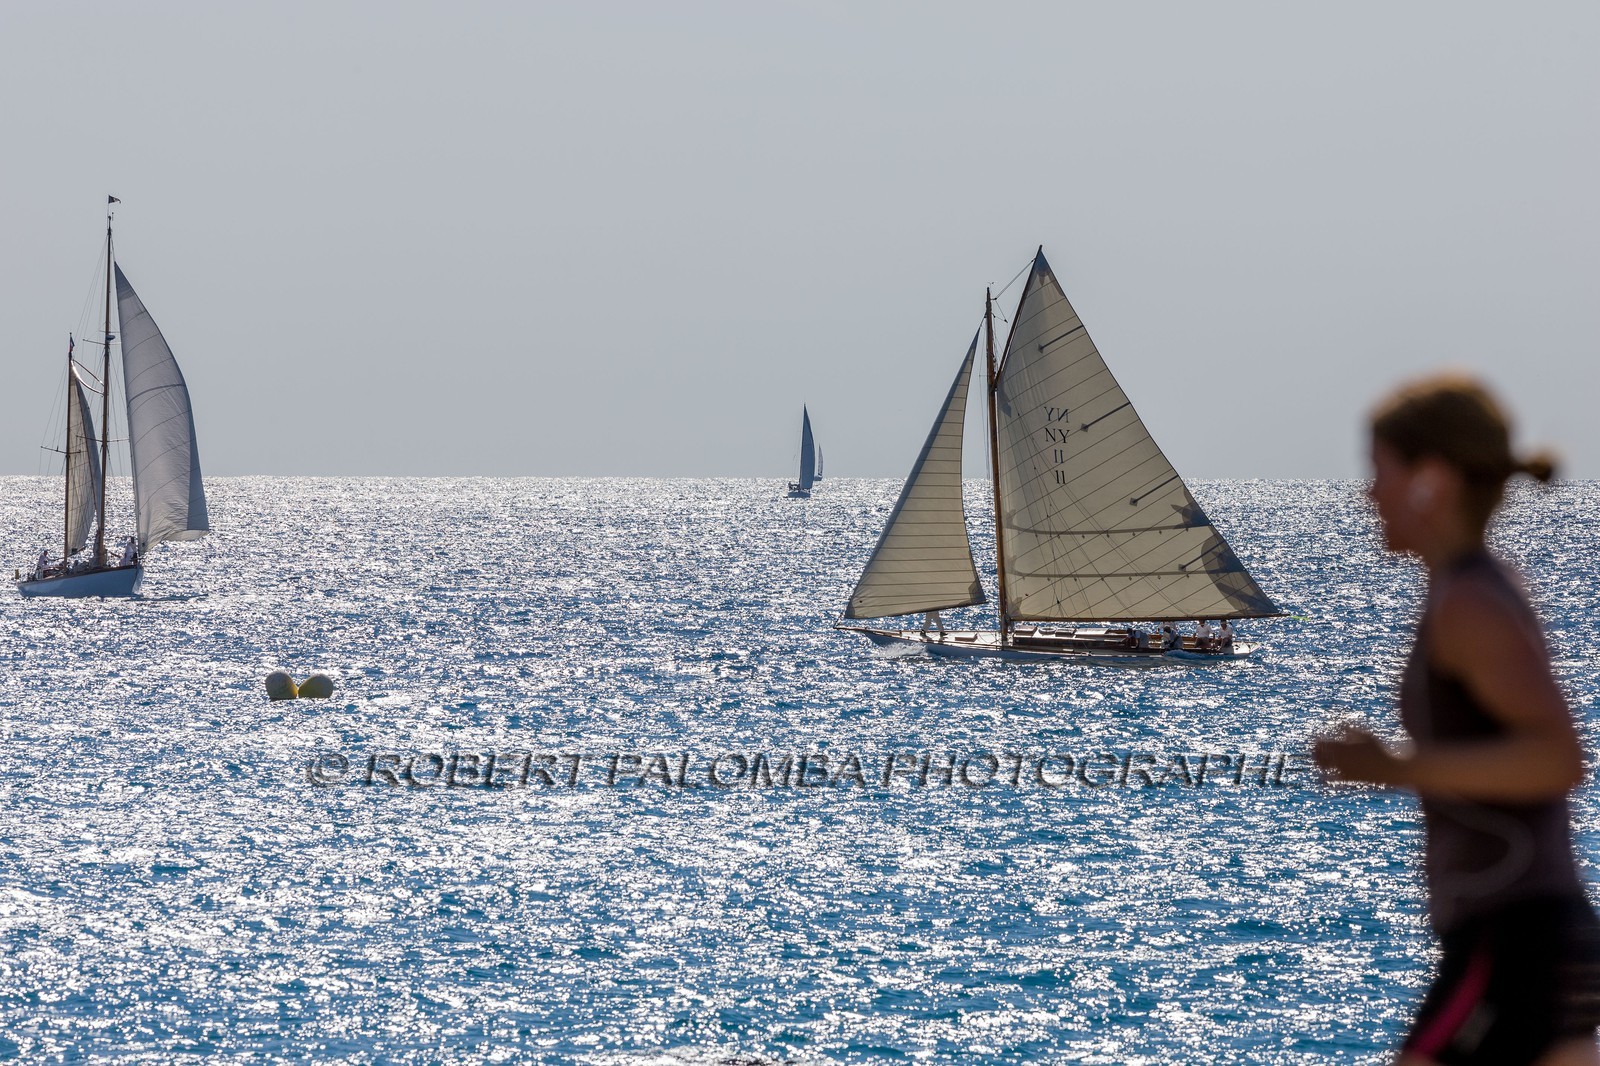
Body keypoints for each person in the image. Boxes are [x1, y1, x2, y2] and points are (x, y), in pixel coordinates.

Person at [1313, 374, 1599, 1066]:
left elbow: (1555, 758)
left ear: (1429, 482)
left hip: (1512, 943)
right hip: (1537, 941)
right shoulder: (1469, 590)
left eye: (1379, 472)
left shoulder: (1468, 606)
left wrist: (1395, 768)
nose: (1368, 496)